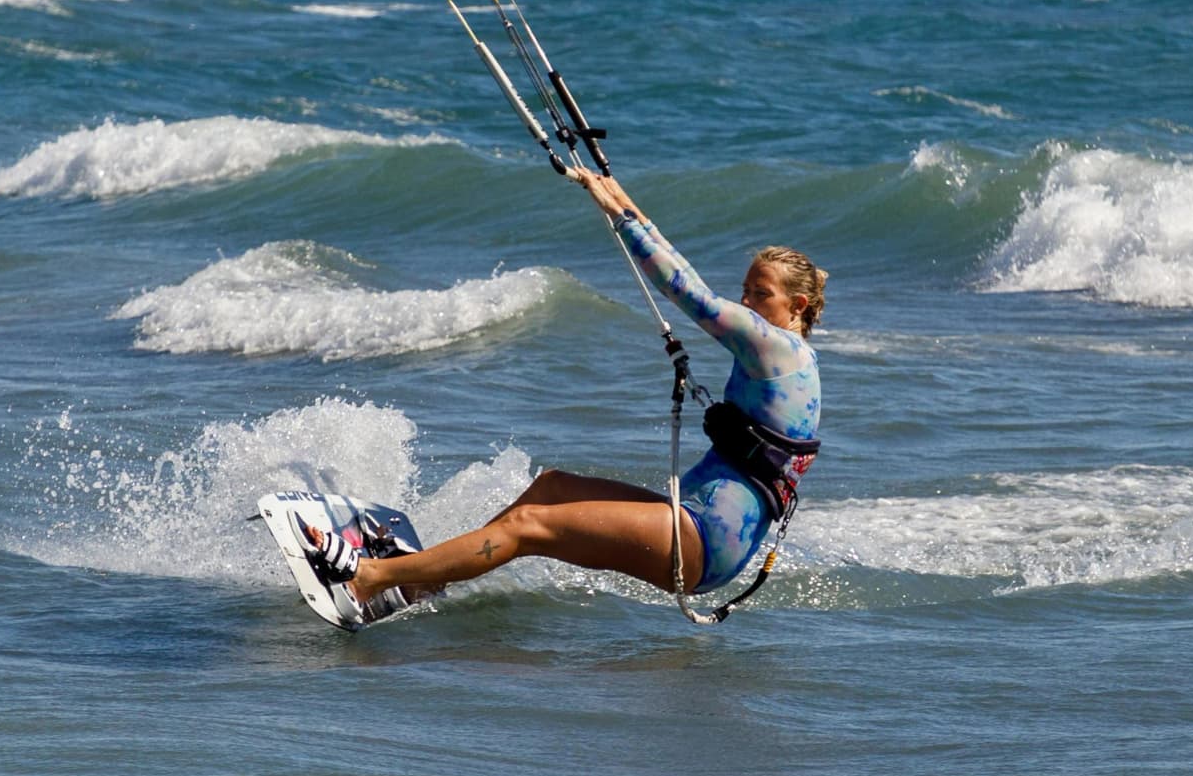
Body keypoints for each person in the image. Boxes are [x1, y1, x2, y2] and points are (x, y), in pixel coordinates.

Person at [301, 166, 824, 626]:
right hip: (696, 520)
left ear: (797, 305)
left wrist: (622, 222)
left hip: (705, 540)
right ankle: (423, 580)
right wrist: (619, 201)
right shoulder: (789, 358)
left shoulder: (774, 347)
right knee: (550, 487)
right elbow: (686, 271)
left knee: (529, 528)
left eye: (760, 294)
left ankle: (369, 578)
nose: (746, 301)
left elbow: (690, 293)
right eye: (746, 289)